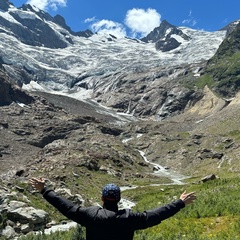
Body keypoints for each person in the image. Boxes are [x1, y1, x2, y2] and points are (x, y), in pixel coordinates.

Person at [29, 177, 196, 240]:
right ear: (119, 199)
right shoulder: (130, 218)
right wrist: (179, 202)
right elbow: (155, 214)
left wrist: (44, 190)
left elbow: (65, 206)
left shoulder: (90, 214)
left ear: (102, 198)